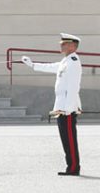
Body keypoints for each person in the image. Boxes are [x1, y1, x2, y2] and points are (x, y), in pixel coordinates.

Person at [21, 33, 82, 176]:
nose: (61, 45)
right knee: (66, 139)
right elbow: (51, 67)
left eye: (64, 43)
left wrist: (68, 108)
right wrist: (32, 65)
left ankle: (73, 167)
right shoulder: (66, 61)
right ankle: (71, 166)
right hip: (62, 107)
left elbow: (73, 87)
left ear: (72, 46)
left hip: (66, 108)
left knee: (70, 139)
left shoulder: (73, 62)